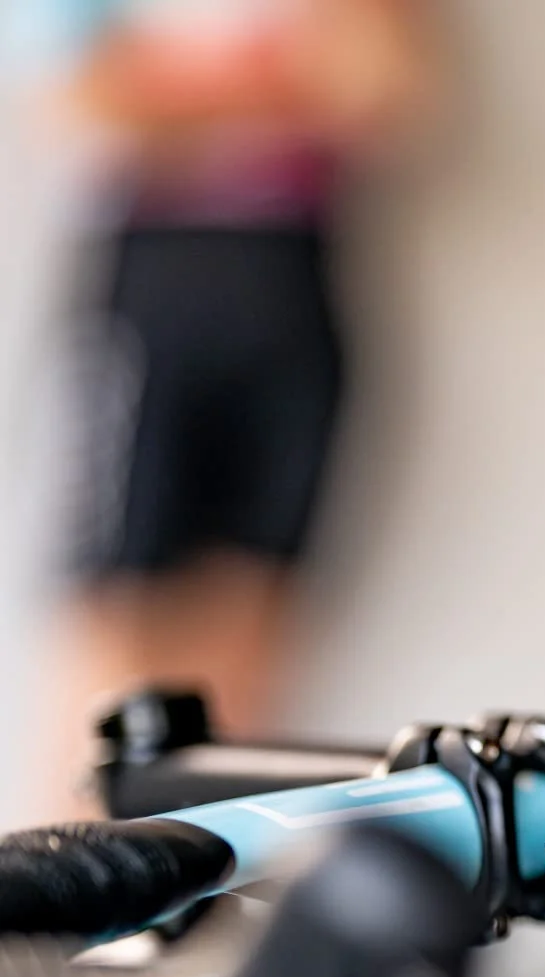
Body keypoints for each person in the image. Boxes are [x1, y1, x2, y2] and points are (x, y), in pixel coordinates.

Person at [6, 0, 449, 816]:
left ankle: (209, 889)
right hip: (148, 282)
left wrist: (178, 93)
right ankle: (69, 888)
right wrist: (288, 82)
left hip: (292, 282)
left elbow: (389, 90)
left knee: (249, 642)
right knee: (110, 631)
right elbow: (85, 106)